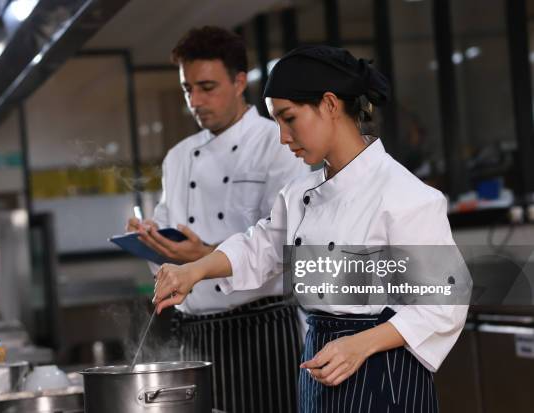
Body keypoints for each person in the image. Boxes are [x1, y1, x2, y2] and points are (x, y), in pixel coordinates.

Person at [153, 45, 469, 413]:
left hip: (384, 370)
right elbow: (261, 246)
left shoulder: (405, 195)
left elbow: (444, 304)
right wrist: (194, 270)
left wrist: (360, 344)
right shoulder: (299, 193)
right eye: (276, 123)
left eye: (289, 118)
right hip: (320, 360)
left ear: (330, 105)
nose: (283, 137)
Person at [127, 27, 309, 413]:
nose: (195, 100)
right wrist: (151, 240)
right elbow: (167, 239)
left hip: (261, 329)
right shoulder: (178, 157)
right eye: (187, 89)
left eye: (207, 87)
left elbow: (284, 247)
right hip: (194, 332)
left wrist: (204, 256)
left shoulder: (278, 144)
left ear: (240, 81)